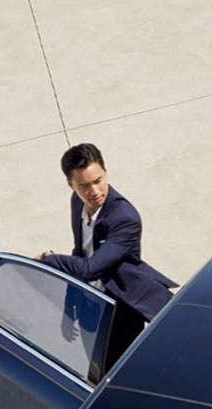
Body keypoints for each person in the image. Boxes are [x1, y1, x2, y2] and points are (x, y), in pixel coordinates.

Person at [38, 143, 177, 373]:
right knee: (95, 368)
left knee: (122, 373)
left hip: (120, 309)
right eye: (84, 186)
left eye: (98, 180)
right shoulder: (78, 202)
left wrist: (48, 259)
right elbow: (79, 252)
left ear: (105, 171)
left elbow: (89, 268)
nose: (94, 192)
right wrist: (69, 307)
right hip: (89, 305)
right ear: (70, 185)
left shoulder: (125, 218)